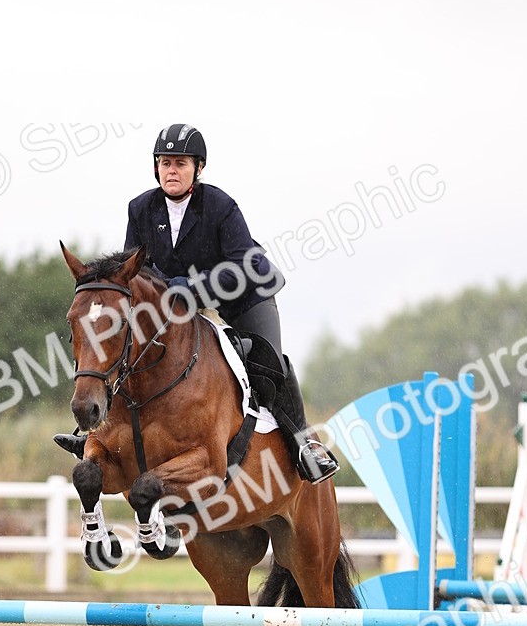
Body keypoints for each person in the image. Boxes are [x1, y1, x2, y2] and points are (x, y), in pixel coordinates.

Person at [55, 123, 338, 483]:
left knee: (269, 360)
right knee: (127, 351)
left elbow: (242, 267)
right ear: (156, 167)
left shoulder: (219, 205)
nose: (171, 170)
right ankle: (95, 434)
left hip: (241, 296)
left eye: (180, 163)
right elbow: (134, 269)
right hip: (176, 307)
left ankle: (303, 444)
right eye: (165, 163)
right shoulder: (141, 208)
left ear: (198, 169)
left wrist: (190, 288)